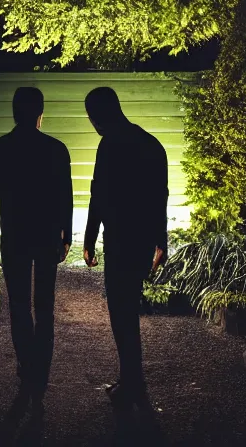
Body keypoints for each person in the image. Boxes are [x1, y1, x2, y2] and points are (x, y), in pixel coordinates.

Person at [0, 87, 73, 412]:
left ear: (14, 113)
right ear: (40, 114)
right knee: (44, 306)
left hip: (15, 236)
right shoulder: (56, 150)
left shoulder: (0, 149)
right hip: (46, 235)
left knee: (19, 306)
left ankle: (26, 369)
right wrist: (66, 237)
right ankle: (40, 377)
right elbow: (66, 196)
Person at [83, 87, 169, 410]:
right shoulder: (151, 145)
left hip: (119, 239)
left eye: (93, 117)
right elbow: (161, 195)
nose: (93, 124)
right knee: (127, 309)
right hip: (142, 239)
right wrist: (161, 240)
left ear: (101, 115)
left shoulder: (108, 146)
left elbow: (98, 196)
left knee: (121, 313)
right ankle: (132, 379)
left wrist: (89, 239)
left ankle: (132, 382)